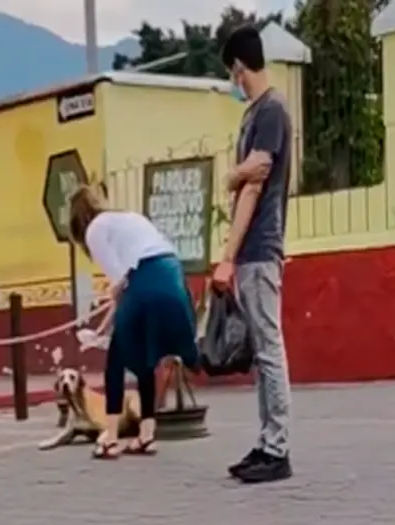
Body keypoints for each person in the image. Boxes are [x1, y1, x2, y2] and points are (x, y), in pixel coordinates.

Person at [213, 25, 294, 484]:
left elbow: (253, 184)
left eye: (232, 72)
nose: (233, 81)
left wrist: (228, 255)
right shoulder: (253, 116)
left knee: (268, 347)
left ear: (240, 67)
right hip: (251, 251)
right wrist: (236, 174)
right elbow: (244, 176)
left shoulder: (272, 111)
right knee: (262, 352)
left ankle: (277, 448)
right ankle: (266, 442)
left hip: (260, 246)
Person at [68, 184, 199, 459]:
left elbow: (121, 284)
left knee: (116, 359)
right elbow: (127, 283)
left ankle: (111, 437)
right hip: (172, 273)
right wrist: (105, 325)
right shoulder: (129, 217)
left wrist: (101, 330)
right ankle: (147, 434)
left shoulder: (95, 230)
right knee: (145, 357)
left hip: (145, 278)